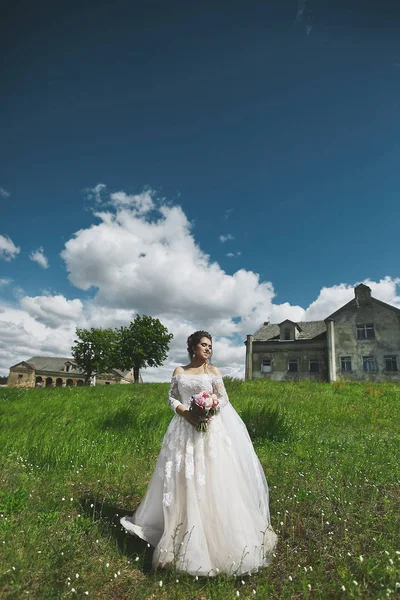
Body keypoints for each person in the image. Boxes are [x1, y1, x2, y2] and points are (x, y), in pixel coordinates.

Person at [120, 330, 277, 576]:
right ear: (193, 347)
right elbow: (172, 397)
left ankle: (215, 535)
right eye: (204, 345)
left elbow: (223, 400)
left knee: (211, 478)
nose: (208, 349)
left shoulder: (213, 372)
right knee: (181, 477)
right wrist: (185, 412)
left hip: (208, 430)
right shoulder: (179, 372)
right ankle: (176, 531)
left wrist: (209, 410)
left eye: (210, 346)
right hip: (183, 430)